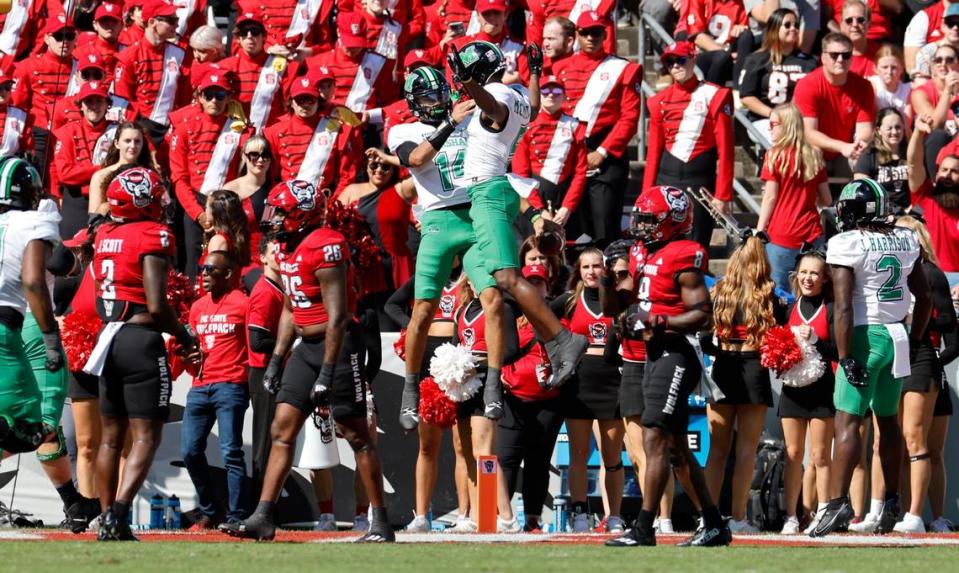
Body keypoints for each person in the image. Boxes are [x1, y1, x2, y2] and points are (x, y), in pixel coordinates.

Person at [227, 180, 393, 543]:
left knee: (356, 434)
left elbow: (336, 316)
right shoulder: (287, 248)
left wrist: (327, 374)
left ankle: (379, 520)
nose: (273, 218)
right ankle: (263, 515)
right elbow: (291, 307)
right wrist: (276, 359)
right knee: (281, 429)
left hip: (338, 345)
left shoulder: (327, 244)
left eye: (281, 212)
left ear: (301, 214)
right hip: (306, 345)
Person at [449, 40, 589, 392]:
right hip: (498, 189)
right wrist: (536, 73)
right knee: (494, 281)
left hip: (488, 192)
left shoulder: (496, 96)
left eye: (466, 74)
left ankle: (561, 339)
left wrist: (469, 84)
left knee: (509, 278)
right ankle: (551, 344)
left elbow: (493, 108)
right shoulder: (516, 93)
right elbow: (536, 106)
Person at [604, 185, 731, 547]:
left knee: (654, 435)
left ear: (672, 221)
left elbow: (702, 316)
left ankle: (644, 528)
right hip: (653, 353)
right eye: (640, 219)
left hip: (677, 352)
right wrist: (604, 283)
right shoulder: (641, 250)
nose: (640, 226)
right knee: (674, 445)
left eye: (648, 220)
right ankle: (713, 522)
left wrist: (658, 320)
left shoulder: (684, 254)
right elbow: (618, 306)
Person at [811, 178, 932, 537]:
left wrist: (846, 355)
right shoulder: (907, 238)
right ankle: (891, 501)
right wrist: (917, 336)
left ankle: (835, 505)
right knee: (888, 421)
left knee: (848, 423)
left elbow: (845, 306)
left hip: (864, 335)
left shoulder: (847, 242)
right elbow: (924, 297)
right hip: (897, 334)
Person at [381, 66, 500, 429]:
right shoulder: (403, 130)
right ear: (416, 103)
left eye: (441, 94)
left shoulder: (467, 116)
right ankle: (410, 391)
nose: (439, 101)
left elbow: (499, 114)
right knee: (423, 311)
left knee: (493, 297)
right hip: (436, 220)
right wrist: (449, 122)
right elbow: (416, 159)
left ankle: (494, 383)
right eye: (430, 97)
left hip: (475, 214)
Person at [92, 166, 200, 541]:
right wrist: (184, 335)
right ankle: (117, 515)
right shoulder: (152, 234)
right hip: (140, 339)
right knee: (145, 437)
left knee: (109, 437)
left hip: (108, 339)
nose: (161, 202)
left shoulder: (105, 233)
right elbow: (156, 304)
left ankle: (107, 518)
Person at [0, 158, 98, 533]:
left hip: (15, 326)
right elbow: (54, 267)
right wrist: (50, 335)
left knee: (36, 426)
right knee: (35, 425)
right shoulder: (35, 220)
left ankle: (73, 503)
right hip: (26, 327)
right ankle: (74, 502)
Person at [703, 236, 786, 534]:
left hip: (724, 367)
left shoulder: (719, 292)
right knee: (747, 451)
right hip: (754, 371)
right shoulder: (768, 295)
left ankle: (708, 518)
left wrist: (716, 350)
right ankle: (737, 519)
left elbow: (703, 336)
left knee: (717, 451)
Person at [384, 269, 474, 533]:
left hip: (460, 356)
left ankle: (464, 515)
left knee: (462, 446)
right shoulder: (428, 272)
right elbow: (392, 304)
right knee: (427, 445)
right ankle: (421, 516)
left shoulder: (472, 271)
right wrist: (413, 326)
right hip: (427, 356)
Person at [891, 215, 958, 533]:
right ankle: (904, 512)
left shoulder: (932, 274)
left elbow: (952, 333)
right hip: (896, 366)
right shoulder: (889, 276)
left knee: (929, 448)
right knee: (902, 445)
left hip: (924, 366)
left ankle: (936, 515)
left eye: (908, 236)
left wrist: (932, 357)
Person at [554, 11, 642, 248]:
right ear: (576, 36)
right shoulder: (560, 68)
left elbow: (630, 118)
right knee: (573, 232)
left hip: (605, 155)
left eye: (596, 32)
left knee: (605, 231)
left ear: (605, 34)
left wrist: (602, 152)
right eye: (585, 32)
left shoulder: (623, 69)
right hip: (570, 153)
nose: (591, 37)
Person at [552, 248, 625, 533]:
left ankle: (615, 515)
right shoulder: (570, 300)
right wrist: (557, 353)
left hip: (612, 382)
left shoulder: (618, 299)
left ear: (605, 269)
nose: (592, 271)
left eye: (597, 266)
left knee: (612, 456)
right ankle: (580, 513)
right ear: (578, 271)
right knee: (578, 454)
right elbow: (539, 318)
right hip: (579, 383)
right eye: (586, 267)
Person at [183, 250, 250, 531]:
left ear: (229, 274)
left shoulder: (243, 304)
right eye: (202, 269)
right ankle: (212, 510)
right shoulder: (197, 307)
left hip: (231, 384)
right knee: (189, 451)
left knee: (231, 452)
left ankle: (236, 516)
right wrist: (190, 358)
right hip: (200, 386)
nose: (205, 275)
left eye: (211, 270)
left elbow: (255, 344)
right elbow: (191, 348)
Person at [644, 41, 733, 249]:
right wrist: (647, 193)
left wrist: (723, 195)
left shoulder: (716, 95)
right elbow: (653, 154)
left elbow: (726, 150)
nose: (675, 66)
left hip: (700, 182)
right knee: (664, 246)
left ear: (693, 60)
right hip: (666, 180)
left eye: (681, 60)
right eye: (670, 62)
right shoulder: (658, 101)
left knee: (696, 248)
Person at [497, 264, 565, 532]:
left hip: (548, 399)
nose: (536, 287)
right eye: (530, 282)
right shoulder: (507, 314)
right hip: (513, 398)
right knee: (507, 460)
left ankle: (533, 519)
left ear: (548, 288)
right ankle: (504, 517)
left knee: (538, 463)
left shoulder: (556, 317)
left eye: (541, 283)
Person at [451, 279, 522, 532]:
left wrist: (477, 365)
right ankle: (480, 516)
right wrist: (452, 368)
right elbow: (454, 346)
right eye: (470, 272)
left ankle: (506, 517)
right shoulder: (462, 309)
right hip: (463, 386)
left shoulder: (501, 308)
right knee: (469, 452)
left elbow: (512, 349)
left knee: (484, 452)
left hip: (486, 382)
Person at [169, 69, 253, 278]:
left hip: (227, 202)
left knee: (229, 258)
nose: (214, 100)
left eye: (220, 95)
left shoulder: (239, 129)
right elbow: (179, 178)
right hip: (195, 204)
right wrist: (198, 214)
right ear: (199, 97)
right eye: (209, 95)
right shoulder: (184, 129)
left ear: (229, 98)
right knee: (193, 260)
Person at [779, 250, 838, 534]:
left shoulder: (832, 307)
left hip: (823, 389)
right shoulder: (788, 307)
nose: (808, 278)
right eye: (804, 272)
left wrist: (815, 340)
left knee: (820, 455)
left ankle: (823, 513)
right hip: (792, 390)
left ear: (825, 277)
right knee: (792, 453)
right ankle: (791, 515)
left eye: (815, 273)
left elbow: (839, 350)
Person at [757, 102, 831, 292]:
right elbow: (827, 200)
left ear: (787, 125)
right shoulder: (815, 155)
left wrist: (759, 230)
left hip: (781, 235)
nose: (769, 128)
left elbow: (770, 197)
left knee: (777, 291)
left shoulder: (774, 155)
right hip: (812, 234)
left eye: (773, 124)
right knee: (810, 290)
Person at [337, 153, 415, 330]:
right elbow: (334, 224)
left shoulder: (401, 188)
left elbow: (422, 169)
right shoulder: (351, 191)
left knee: (391, 324)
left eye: (385, 166)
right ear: (366, 167)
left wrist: (387, 156)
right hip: (361, 269)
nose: (379, 170)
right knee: (361, 323)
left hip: (394, 268)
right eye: (374, 166)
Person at [793, 32, 876, 176]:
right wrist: (842, 147)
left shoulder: (864, 86)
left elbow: (865, 129)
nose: (840, 59)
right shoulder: (808, 84)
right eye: (834, 55)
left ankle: (858, 198)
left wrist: (859, 145)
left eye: (846, 55)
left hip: (845, 150)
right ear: (823, 58)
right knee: (813, 154)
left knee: (864, 156)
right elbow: (809, 133)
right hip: (814, 148)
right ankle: (818, 199)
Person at [263, 72, 358, 196]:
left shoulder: (338, 129)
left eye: (310, 100)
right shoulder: (274, 132)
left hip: (322, 202)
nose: (306, 105)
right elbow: (268, 176)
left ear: (318, 102)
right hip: (285, 199)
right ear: (291, 102)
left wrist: (332, 205)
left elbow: (346, 176)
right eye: (300, 100)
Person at [511, 74, 586, 232]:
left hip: (565, 198)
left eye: (557, 90)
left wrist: (568, 207)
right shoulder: (526, 125)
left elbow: (580, 172)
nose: (551, 94)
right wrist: (538, 209)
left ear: (564, 96)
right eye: (545, 90)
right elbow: (520, 173)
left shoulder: (575, 126)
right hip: (534, 197)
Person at [112, 0, 189, 146]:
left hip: (172, 129)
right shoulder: (129, 56)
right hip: (139, 131)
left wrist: (178, 127)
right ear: (153, 21)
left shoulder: (180, 54)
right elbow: (123, 104)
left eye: (177, 20)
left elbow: (185, 98)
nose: (177, 25)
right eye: (172, 21)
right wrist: (144, 137)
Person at [738, 9, 817, 145]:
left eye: (796, 25)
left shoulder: (809, 61)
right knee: (784, 139)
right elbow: (747, 97)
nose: (793, 29)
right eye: (787, 25)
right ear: (774, 28)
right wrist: (774, 115)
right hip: (765, 120)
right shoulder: (757, 59)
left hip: (801, 121)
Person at [11, 14, 76, 175]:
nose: (65, 42)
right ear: (47, 38)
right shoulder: (28, 66)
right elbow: (18, 108)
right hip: (38, 137)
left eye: (69, 36)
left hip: (70, 137)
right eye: (59, 36)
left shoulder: (81, 69)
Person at [245, 238, 284, 498]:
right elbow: (257, 341)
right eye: (274, 251)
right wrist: (291, 342)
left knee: (274, 438)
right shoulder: (264, 291)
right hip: (263, 372)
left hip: (273, 370)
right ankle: (260, 503)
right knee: (264, 442)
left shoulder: (277, 289)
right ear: (263, 258)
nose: (280, 255)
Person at [51, 81, 112, 240]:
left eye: (99, 101)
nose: (94, 106)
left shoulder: (118, 132)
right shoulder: (67, 132)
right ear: (81, 106)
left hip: (108, 202)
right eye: (88, 101)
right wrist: (102, 169)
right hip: (75, 202)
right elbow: (65, 174)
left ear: (107, 105)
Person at [220, 10, 300, 132]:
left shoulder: (282, 65)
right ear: (238, 39)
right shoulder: (225, 66)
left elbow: (288, 106)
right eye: (244, 32)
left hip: (269, 133)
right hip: (235, 134)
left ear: (264, 37)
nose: (249, 36)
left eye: (255, 31)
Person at [907, 114, 959, 279]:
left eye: (955, 171)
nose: (947, 175)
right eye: (943, 170)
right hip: (928, 278)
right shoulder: (925, 195)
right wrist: (918, 133)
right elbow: (913, 164)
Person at [88, 122, 155, 215]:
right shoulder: (100, 176)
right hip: (111, 227)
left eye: (137, 141)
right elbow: (93, 218)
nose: (133, 146)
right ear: (117, 143)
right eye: (127, 141)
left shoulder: (151, 175)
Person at [676, 0, 747, 85]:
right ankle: (712, 95)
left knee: (746, 35)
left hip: (727, 54)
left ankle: (739, 90)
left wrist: (740, 29)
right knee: (721, 57)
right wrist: (727, 53)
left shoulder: (738, 3)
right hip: (699, 55)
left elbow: (743, 30)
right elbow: (697, 37)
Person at [854, 108, 910, 213]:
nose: (894, 132)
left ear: (903, 128)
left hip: (909, 214)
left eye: (898, 127)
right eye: (889, 128)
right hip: (880, 214)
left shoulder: (910, 153)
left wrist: (912, 210)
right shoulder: (869, 155)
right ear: (879, 130)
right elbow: (861, 193)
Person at [909, 43, 959, 135]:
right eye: (938, 60)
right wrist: (947, 90)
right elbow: (935, 127)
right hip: (935, 145)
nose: (943, 64)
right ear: (934, 66)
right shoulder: (920, 93)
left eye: (949, 60)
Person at [912, 3, 959, 82]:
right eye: (950, 23)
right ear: (943, 26)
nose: (955, 28)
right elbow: (921, 86)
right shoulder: (927, 53)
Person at [869, 46, 911, 119]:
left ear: (902, 68)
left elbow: (907, 124)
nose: (889, 72)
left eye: (894, 67)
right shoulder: (871, 85)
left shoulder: (908, 90)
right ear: (875, 69)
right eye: (885, 67)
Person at [838, 0, 875, 77]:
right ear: (841, 25)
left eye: (861, 20)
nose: (855, 24)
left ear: (869, 24)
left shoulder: (881, 54)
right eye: (849, 20)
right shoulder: (833, 56)